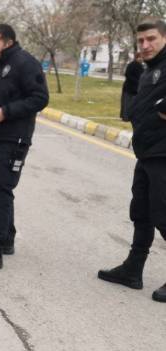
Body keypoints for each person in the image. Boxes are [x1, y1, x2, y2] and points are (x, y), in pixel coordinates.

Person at [98, 20, 166, 302]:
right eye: (141, 41)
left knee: (164, 215)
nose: (145, 45)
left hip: (163, 154)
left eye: (151, 39)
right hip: (148, 152)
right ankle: (132, 269)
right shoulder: (150, 69)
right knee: (141, 212)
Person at [0, 24, 49, 272]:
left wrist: (6, 112)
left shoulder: (26, 63)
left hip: (14, 139)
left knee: (1, 191)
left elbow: (40, 98)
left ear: (8, 42)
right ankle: (6, 239)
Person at [120, 52, 145, 122]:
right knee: (127, 103)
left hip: (136, 88)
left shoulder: (140, 65)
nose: (142, 59)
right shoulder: (132, 65)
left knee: (133, 104)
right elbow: (128, 74)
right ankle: (125, 117)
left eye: (142, 57)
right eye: (140, 57)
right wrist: (137, 81)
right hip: (129, 87)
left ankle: (131, 116)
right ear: (137, 57)